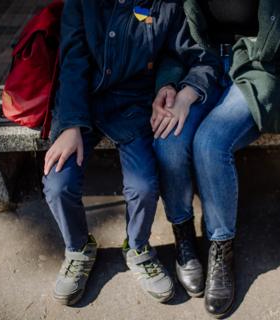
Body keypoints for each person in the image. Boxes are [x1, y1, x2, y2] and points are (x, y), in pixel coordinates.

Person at [152, 0, 280, 317]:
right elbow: (172, 38)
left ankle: (221, 248)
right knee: (170, 141)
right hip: (198, 67)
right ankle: (184, 238)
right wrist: (166, 83)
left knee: (210, 142)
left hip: (256, 71)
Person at [42, 0, 220, 306]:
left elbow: (193, 55)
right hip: (82, 103)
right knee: (58, 182)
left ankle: (137, 247)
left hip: (132, 107)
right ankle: (78, 248)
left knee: (144, 186)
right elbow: (72, 61)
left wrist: (176, 86)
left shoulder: (167, 6)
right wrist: (70, 124)